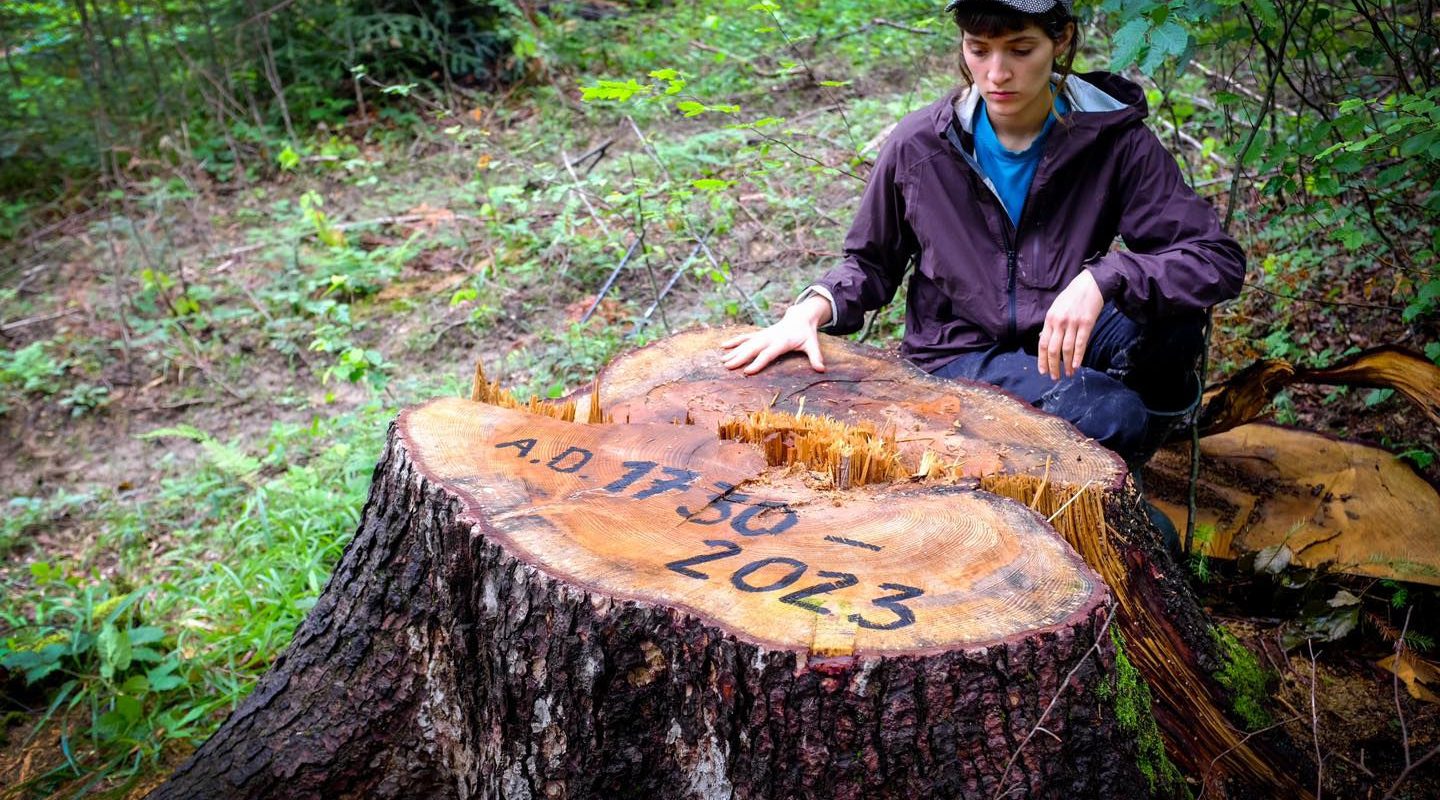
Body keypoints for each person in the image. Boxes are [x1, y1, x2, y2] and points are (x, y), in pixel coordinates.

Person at [720, 0, 1244, 467]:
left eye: (1020, 50)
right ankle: (1093, 438)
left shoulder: (1111, 139)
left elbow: (1214, 259)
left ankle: (1129, 462)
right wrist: (810, 308)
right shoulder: (921, 146)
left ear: (1060, 40)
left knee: (1172, 322)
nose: (997, 73)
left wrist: (1105, 277)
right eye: (979, 49)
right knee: (1111, 414)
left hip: (1055, 333)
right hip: (959, 352)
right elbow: (870, 263)